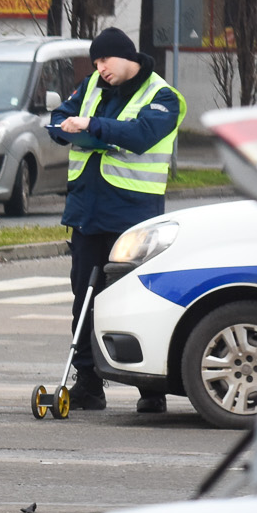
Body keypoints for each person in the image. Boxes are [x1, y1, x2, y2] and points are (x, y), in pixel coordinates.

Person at [47, 26, 182, 413]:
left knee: (139, 300)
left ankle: (151, 389)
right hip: (88, 212)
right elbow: (63, 115)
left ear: (128, 57)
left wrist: (93, 126)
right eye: (95, 62)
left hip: (133, 216)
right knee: (84, 299)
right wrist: (62, 128)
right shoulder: (92, 86)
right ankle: (89, 383)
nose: (100, 67)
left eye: (105, 60)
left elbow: (141, 135)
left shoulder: (162, 96)